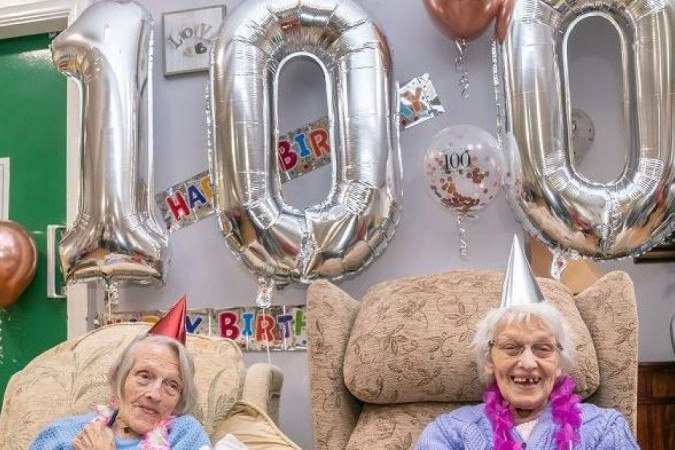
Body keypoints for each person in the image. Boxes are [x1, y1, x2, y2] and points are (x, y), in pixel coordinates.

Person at [415, 235, 639, 449]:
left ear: (559, 363)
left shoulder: (605, 429)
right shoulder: (449, 433)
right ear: (489, 359)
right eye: (511, 348)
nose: (528, 363)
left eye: (543, 348)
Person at [30, 296, 211, 449]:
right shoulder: (62, 434)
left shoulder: (186, 434)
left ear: (179, 400)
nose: (155, 395)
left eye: (172, 385)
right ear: (120, 379)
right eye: (144, 376)